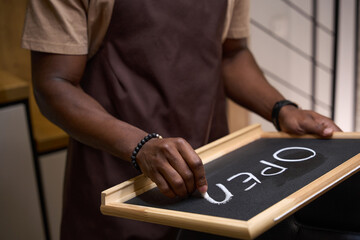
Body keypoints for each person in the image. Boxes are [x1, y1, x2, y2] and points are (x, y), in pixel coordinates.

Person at [22, 0, 342, 239]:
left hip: (214, 175)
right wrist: (142, 147)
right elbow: (54, 83)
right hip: (117, 180)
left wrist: (282, 110)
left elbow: (230, 54)